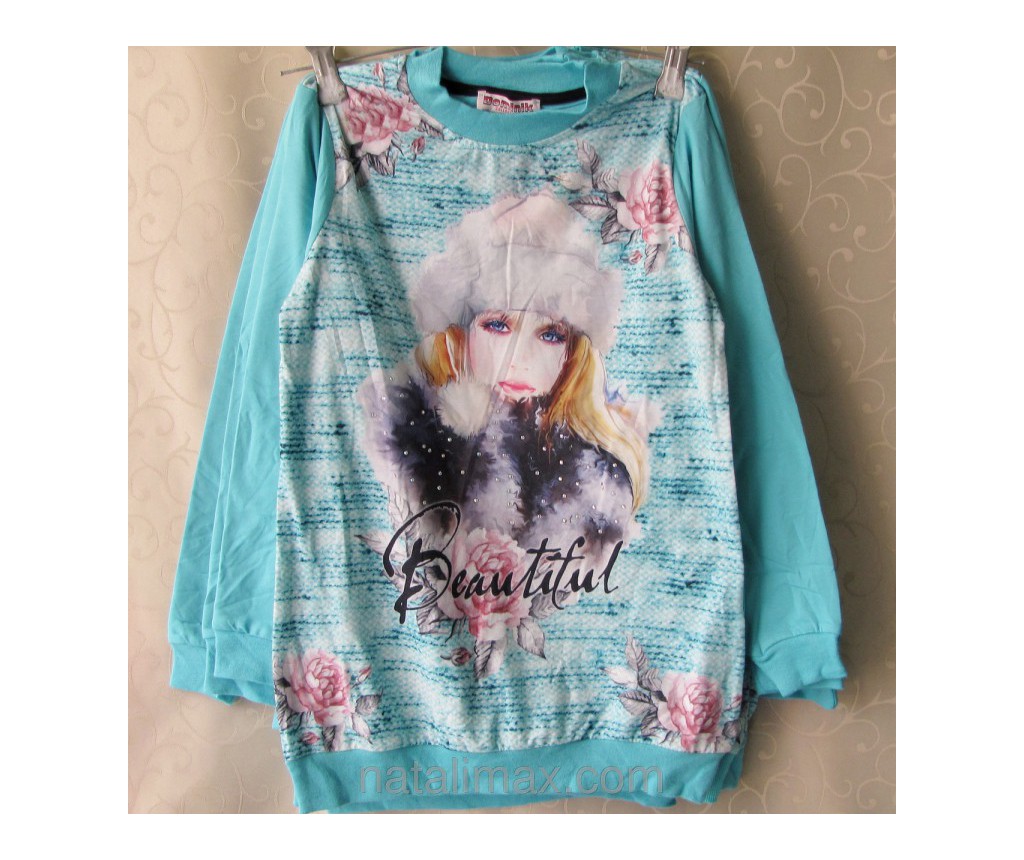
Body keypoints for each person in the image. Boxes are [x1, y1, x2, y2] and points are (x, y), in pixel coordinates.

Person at [355, 189, 661, 677]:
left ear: (572, 353)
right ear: (462, 333)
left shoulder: (599, 484)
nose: (521, 358)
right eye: (497, 326)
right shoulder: (412, 443)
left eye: (550, 334)